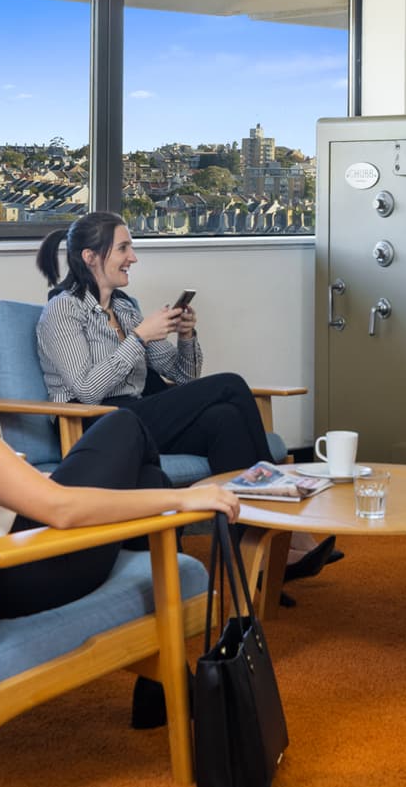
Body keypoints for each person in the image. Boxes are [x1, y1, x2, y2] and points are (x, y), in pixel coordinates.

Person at [0, 252, 238, 621]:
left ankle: (167, 648)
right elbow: (59, 509)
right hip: (23, 569)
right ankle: (185, 612)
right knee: (125, 426)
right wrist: (185, 498)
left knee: (147, 475)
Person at [36, 212, 341, 582]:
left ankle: (251, 558)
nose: (133, 257)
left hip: (138, 415)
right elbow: (86, 390)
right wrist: (139, 338)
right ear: (90, 257)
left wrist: (185, 335)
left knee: (225, 419)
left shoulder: (125, 308)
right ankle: (286, 529)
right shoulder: (62, 310)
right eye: (124, 248)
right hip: (97, 426)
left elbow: (183, 376)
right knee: (230, 384)